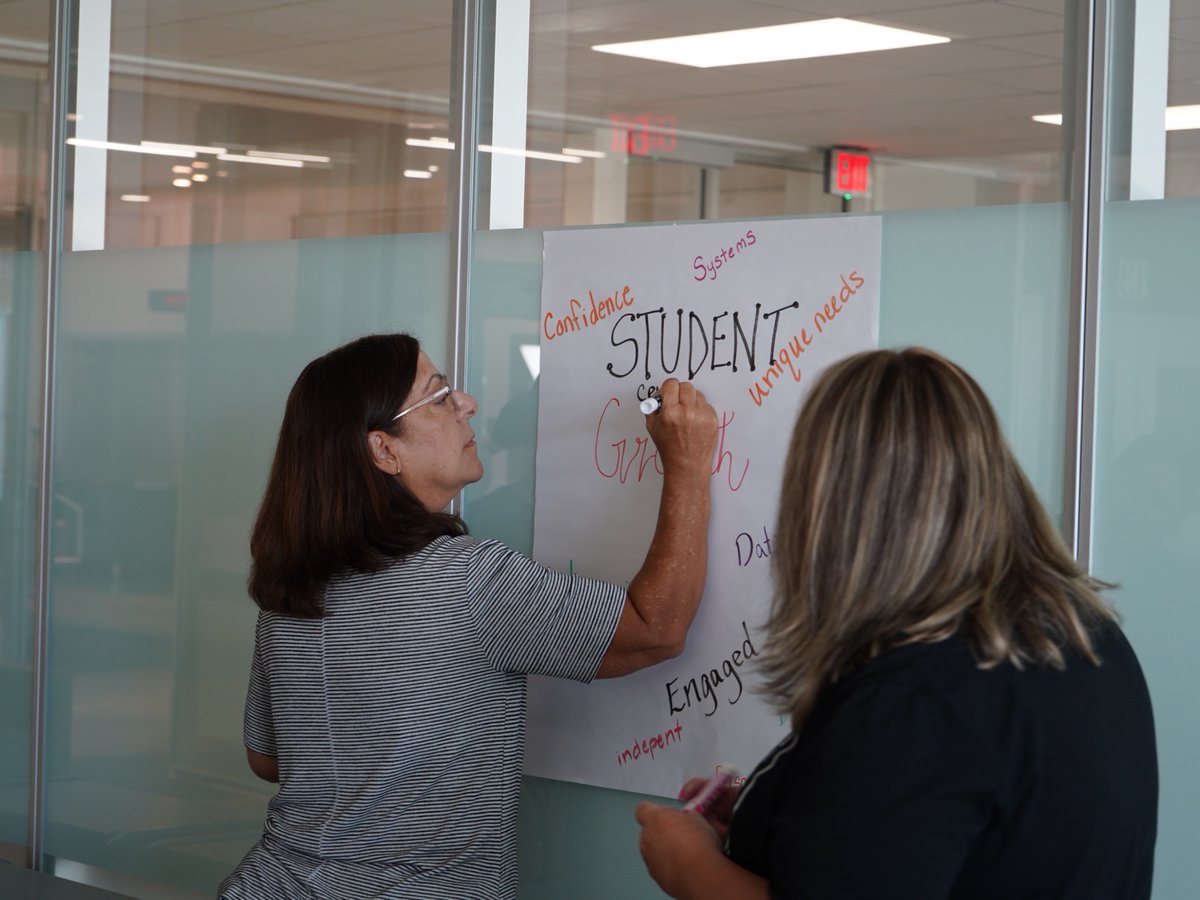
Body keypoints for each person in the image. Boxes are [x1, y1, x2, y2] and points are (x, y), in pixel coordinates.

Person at [635, 347, 1158, 900]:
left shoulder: (914, 701)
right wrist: (779, 808)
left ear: (836, 506)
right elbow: (937, 825)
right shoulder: (1081, 633)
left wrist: (687, 863)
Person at [218, 333, 718, 900]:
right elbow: (656, 627)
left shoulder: (290, 589)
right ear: (384, 451)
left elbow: (268, 759)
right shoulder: (464, 579)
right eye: (439, 397)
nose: (468, 403)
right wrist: (688, 466)